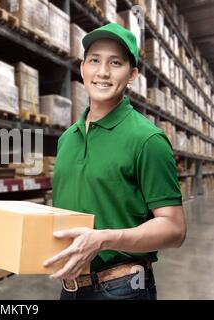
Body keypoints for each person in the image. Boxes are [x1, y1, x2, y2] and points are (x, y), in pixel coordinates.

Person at [44, 23, 187, 300]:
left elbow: (174, 229)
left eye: (116, 63)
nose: (103, 72)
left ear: (132, 74)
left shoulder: (147, 139)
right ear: (82, 67)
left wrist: (104, 239)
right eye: (94, 60)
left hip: (122, 289)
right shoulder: (68, 138)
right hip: (70, 287)